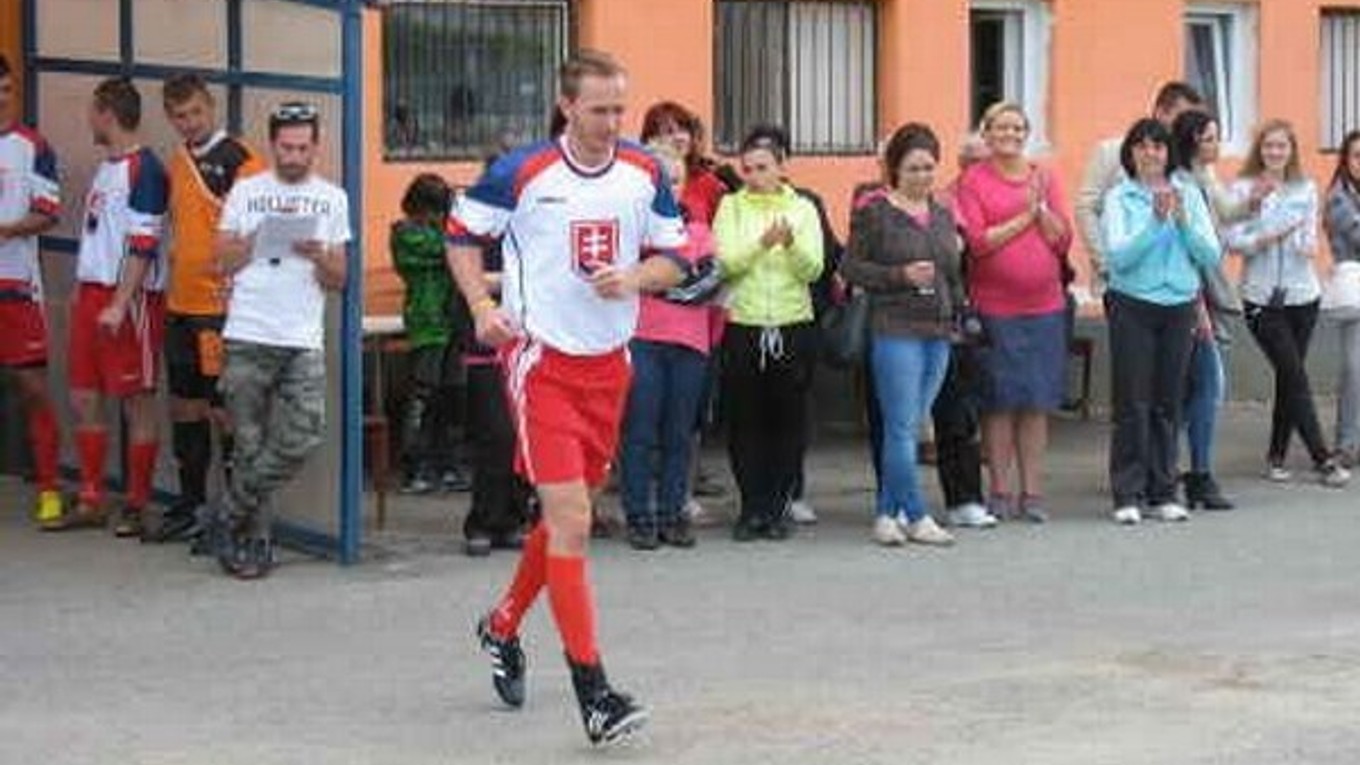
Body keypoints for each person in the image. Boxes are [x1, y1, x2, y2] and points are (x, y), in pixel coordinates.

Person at [447, 51, 686, 745]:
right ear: (567, 105)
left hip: (610, 365)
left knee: (564, 521)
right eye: (599, 109)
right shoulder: (520, 172)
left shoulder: (643, 172)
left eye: (619, 109)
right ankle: (596, 694)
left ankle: (501, 624)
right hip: (542, 361)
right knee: (573, 518)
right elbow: (461, 237)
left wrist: (635, 277)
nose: (612, 122)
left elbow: (678, 259)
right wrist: (481, 306)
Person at [213, 101, 351, 578]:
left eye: (303, 148)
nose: (294, 157)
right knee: (248, 443)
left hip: (301, 336)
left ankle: (230, 510)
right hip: (248, 331)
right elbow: (222, 261)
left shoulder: (332, 198)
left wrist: (318, 255)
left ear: (316, 147)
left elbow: (339, 279)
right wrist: (258, 239)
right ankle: (254, 539)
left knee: (304, 433)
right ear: (272, 144)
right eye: (287, 148)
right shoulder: (246, 191)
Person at [48, 78, 168, 537]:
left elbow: (143, 243)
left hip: (129, 299)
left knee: (137, 400)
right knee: (83, 395)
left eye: (92, 111)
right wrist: (84, 292)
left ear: (106, 114)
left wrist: (120, 303)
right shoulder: (107, 168)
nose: (88, 120)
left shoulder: (146, 170)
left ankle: (137, 503)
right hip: (91, 293)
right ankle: (92, 497)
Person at [157, 73, 265, 542]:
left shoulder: (239, 159)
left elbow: (259, 228)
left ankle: (234, 514)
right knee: (185, 406)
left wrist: (235, 279)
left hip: (218, 308)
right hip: (180, 303)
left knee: (224, 411)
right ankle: (191, 504)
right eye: (180, 116)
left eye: (196, 112)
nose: (190, 122)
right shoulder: (178, 159)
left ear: (212, 107)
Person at [842, 123, 961, 547]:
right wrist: (900, 275)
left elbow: (952, 273)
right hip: (895, 328)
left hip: (938, 328)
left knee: (912, 426)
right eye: (913, 168)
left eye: (928, 167)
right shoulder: (875, 213)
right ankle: (916, 514)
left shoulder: (943, 214)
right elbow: (851, 267)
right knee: (900, 426)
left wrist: (957, 314)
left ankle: (886, 514)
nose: (922, 176)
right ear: (895, 168)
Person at [955, 102, 1073, 524]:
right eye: (1001, 128)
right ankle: (1000, 491)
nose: (1010, 134)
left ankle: (1033, 493)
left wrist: (1044, 215)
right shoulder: (973, 180)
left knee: (1036, 403)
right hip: (995, 308)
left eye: (1017, 128)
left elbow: (1062, 240)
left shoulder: (1045, 177)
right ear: (986, 134)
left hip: (1045, 305)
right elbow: (979, 243)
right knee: (999, 402)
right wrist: (1028, 216)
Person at [1101, 118, 1222, 525]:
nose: (1150, 153)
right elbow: (1119, 257)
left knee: (1168, 401)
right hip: (1133, 303)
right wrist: (1155, 222)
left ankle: (1164, 490)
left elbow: (1210, 255)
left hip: (1179, 304)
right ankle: (1127, 493)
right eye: (1141, 146)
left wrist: (1183, 221)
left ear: (1169, 153)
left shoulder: (1189, 193)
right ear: (1130, 153)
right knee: (1132, 401)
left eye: (1158, 146)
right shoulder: (1120, 197)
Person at [713, 125, 824, 542]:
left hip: (792, 324)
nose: (755, 176)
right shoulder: (731, 206)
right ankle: (751, 507)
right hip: (744, 324)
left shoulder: (803, 208)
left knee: (787, 421)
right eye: (748, 169)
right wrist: (762, 243)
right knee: (746, 421)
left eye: (763, 167)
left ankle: (777, 507)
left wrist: (790, 244)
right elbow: (726, 263)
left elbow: (813, 269)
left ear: (781, 167)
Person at [1225, 120, 1351, 487]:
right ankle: (1322, 458)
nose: (1275, 152)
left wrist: (1306, 245)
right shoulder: (1243, 188)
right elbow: (1232, 239)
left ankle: (1276, 455)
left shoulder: (1305, 188)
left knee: (1289, 375)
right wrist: (1263, 237)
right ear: (1259, 150)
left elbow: (1309, 236)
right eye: (1269, 146)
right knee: (1294, 374)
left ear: (1292, 150)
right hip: (1261, 298)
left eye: (1282, 146)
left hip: (1302, 296)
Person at [619, 144, 722, 550]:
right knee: (640, 432)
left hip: (690, 346)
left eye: (676, 180)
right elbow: (620, 281)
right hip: (641, 340)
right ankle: (639, 515)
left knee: (680, 434)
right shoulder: (628, 234)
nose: (669, 188)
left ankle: (672, 513)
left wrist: (650, 281)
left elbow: (708, 285)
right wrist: (671, 277)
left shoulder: (697, 231)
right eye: (660, 181)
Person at [1168, 110, 1255, 510]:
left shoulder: (1203, 179)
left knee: (1200, 387)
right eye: (1208, 138)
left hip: (1204, 295)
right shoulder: (1180, 184)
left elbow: (1220, 227)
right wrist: (1198, 306)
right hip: (1188, 297)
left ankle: (1192, 472)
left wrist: (1253, 202)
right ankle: (1180, 471)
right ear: (1191, 141)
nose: (1216, 145)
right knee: (1202, 385)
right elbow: (1189, 252)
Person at [0, 54, 63, 529]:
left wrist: (6, 230)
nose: (2, 100)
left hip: (17, 284)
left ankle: (49, 489)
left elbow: (48, 212)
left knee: (33, 389)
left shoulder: (34, 146)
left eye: (6, 90)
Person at [1076, 82, 1204, 287]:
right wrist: (1105, 265)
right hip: (1121, 282)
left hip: (1175, 288)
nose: (1189, 126)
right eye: (1183, 117)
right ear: (1161, 112)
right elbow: (1086, 209)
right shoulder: (1110, 152)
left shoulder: (1187, 162)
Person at [934, 133, 997, 529]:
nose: (975, 168)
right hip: (939, 317)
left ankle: (967, 498)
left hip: (978, 314)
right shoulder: (944, 201)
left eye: (981, 161)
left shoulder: (998, 194)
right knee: (941, 412)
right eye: (968, 161)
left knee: (963, 414)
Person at [390, 173, 463, 497]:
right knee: (423, 397)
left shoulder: (439, 230)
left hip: (451, 321)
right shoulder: (406, 233)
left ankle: (447, 465)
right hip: (427, 323)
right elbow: (450, 248)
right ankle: (414, 468)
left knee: (450, 398)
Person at [1326, 129, 1360, 468]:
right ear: (1346, 160)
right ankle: (1347, 443)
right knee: (1355, 369)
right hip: (1355, 292)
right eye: (1357, 156)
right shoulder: (1338, 198)